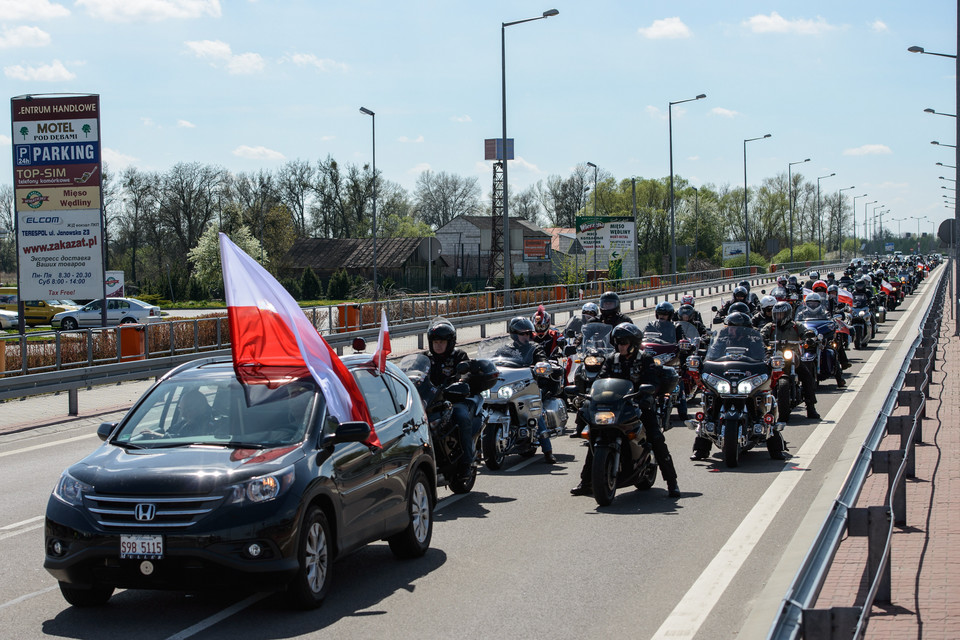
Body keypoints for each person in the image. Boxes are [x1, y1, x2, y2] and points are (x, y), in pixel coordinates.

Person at [571, 322, 680, 497]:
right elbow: (600, 380)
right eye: (619, 342)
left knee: (656, 438)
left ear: (633, 344)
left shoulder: (645, 359)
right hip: (616, 406)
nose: (621, 346)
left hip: (638, 405)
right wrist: (589, 396)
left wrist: (646, 394)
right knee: (595, 436)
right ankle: (586, 482)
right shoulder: (611, 359)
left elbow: (652, 381)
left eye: (624, 342)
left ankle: (672, 483)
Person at [424, 318, 479, 479]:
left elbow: (466, 371)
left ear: (450, 342)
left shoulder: (458, 355)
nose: (438, 345)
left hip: (453, 401)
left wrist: (462, 380)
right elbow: (413, 373)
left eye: (442, 341)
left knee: (461, 417)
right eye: (435, 341)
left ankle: (466, 463)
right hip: (429, 402)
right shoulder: (426, 358)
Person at [507, 316, 556, 464]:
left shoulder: (535, 348)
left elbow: (542, 359)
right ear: (514, 334)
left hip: (529, 387)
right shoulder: (505, 349)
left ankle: (547, 450)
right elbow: (494, 363)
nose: (526, 336)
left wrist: (541, 364)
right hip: (509, 387)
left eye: (528, 333)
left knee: (536, 412)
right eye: (522, 334)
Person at [761, 301, 820, 420]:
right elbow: (761, 334)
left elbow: (806, 332)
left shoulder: (795, 326)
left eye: (781, 314)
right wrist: (761, 340)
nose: (778, 317)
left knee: (807, 376)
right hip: (774, 356)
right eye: (776, 314)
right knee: (761, 375)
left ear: (787, 314)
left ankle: (811, 407)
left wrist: (809, 337)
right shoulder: (770, 327)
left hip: (792, 356)